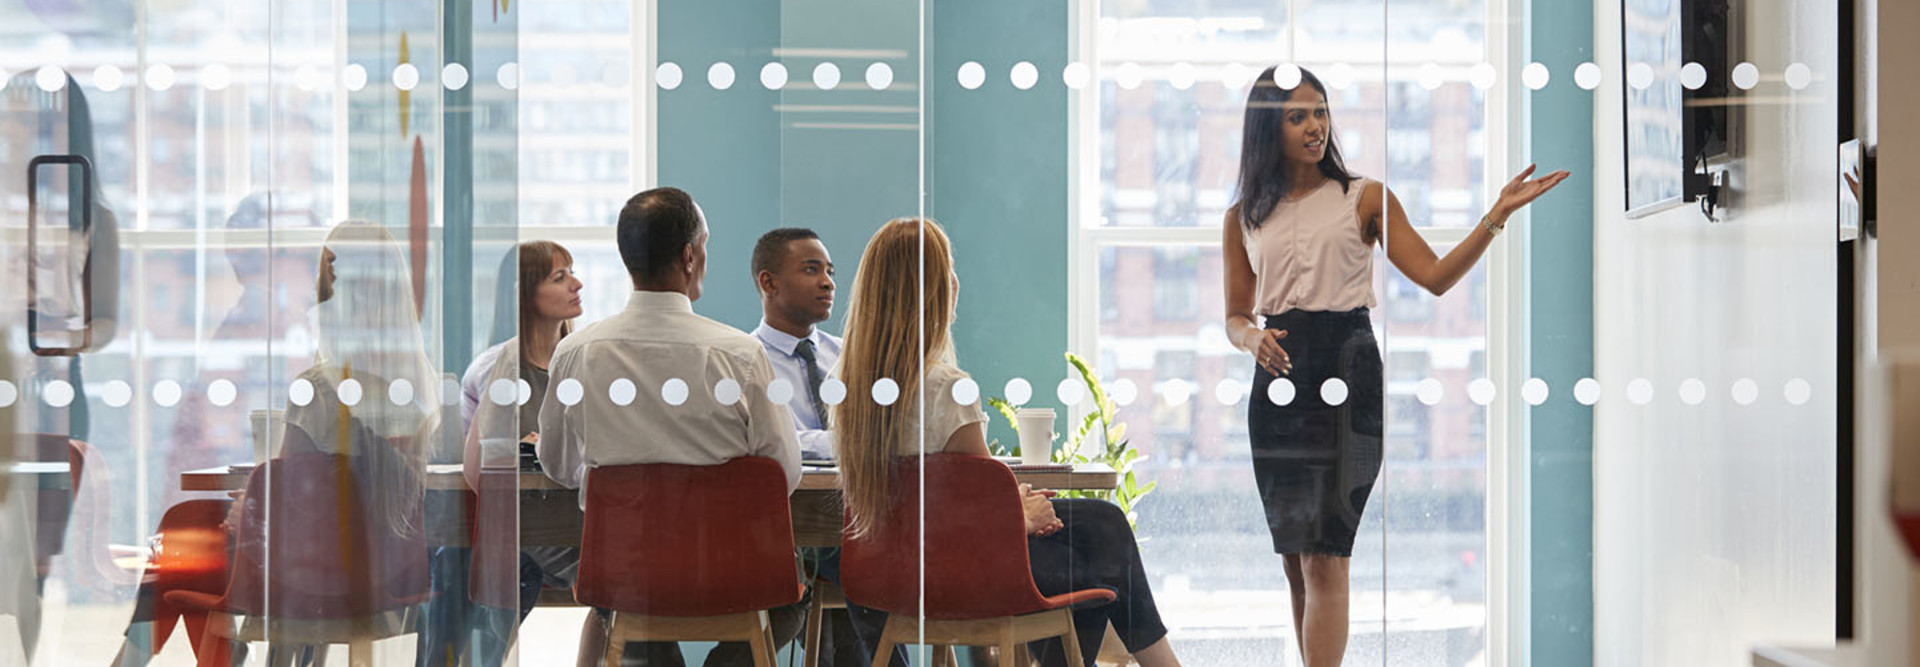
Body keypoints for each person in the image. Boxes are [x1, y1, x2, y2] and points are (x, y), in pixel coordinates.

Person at [1220, 66, 1568, 666]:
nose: (1314, 127)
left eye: (1321, 111)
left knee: (1328, 554)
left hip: (1348, 373)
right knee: (1296, 564)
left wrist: (1496, 216)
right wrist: (1251, 339)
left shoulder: (1365, 196)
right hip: (1275, 385)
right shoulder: (1243, 215)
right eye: (1297, 116)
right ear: (1266, 130)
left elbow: (1433, 278)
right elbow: (1233, 315)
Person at [834, 218, 1185, 667]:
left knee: (1101, 524)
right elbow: (980, 517)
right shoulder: (947, 388)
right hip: (959, 572)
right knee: (1099, 550)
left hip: (890, 573)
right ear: (938, 290)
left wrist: (1018, 508)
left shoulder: (851, 394)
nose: (957, 281)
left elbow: (949, 502)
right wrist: (1020, 516)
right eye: (949, 270)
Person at [537, 187, 804, 667]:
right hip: (733, 575)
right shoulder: (740, 355)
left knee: (635, 600)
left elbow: (557, 465)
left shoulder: (577, 353)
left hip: (625, 575)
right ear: (689, 255)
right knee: (796, 587)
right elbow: (783, 473)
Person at [416, 240, 584, 667]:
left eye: (572, 273)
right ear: (524, 294)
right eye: (559, 277)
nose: (576, 284)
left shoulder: (582, 363)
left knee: (627, 572)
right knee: (619, 580)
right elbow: (480, 472)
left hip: (576, 518)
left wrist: (544, 449)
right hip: (523, 527)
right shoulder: (500, 367)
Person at [748, 227, 878, 667]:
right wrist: (848, 443)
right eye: (811, 269)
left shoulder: (849, 357)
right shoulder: (746, 360)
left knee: (864, 594)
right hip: (785, 524)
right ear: (768, 283)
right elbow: (770, 443)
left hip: (855, 517)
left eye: (830, 271)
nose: (828, 282)